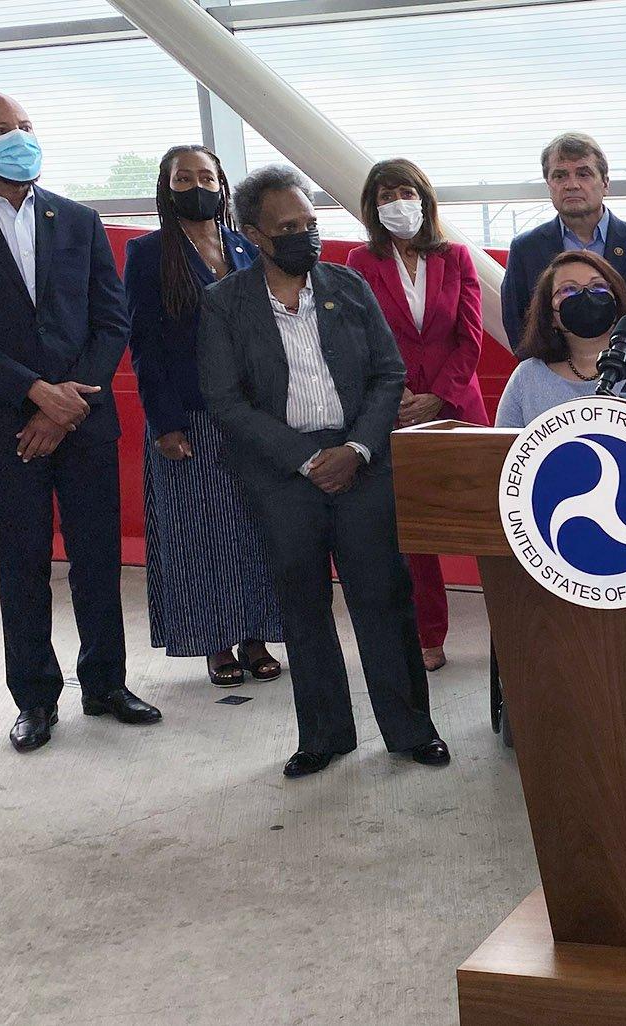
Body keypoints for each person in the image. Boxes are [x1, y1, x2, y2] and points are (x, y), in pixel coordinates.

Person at [197, 165, 449, 779]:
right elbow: (225, 402)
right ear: (254, 234)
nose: (305, 236)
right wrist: (306, 459)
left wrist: (357, 449)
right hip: (284, 473)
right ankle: (325, 736)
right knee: (302, 608)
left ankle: (411, 730)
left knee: (384, 601)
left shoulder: (349, 286)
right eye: (288, 227)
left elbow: (389, 375)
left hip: (361, 463)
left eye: (311, 224)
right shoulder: (225, 304)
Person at [0, 91, 160, 752]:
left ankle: (107, 684)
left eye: (25, 125)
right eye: (1, 130)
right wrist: (34, 391)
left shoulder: (78, 218)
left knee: (97, 557)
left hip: (82, 420)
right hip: (2, 421)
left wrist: (67, 405)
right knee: (23, 561)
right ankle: (34, 699)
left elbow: (111, 320)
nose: (19, 137)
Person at [125, 145, 284, 688]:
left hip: (251, 416)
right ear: (167, 188)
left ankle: (257, 636)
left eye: (207, 176)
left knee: (256, 528)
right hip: (187, 419)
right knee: (201, 534)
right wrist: (164, 425)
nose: (197, 185)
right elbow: (144, 344)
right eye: (183, 177)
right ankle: (216, 643)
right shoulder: (148, 254)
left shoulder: (245, 247)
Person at [345, 158, 490, 673]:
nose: (395, 204)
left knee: (486, 525)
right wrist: (401, 398)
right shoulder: (360, 264)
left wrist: (438, 397)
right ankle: (430, 634)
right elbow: (359, 341)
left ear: (423, 199)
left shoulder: (456, 257)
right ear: (371, 208)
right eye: (383, 197)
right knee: (416, 531)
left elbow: (470, 336)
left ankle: (509, 626)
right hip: (394, 412)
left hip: (457, 410)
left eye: (403, 192)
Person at [495, 250, 626, 430]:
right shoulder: (527, 378)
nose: (586, 295)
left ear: (617, 303)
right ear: (550, 316)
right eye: (568, 289)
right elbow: (501, 455)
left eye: (598, 286)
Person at [503, 133, 626, 347]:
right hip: (554, 373)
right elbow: (517, 326)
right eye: (560, 176)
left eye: (583, 174)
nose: (571, 185)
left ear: (605, 183)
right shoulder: (526, 249)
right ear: (549, 186)